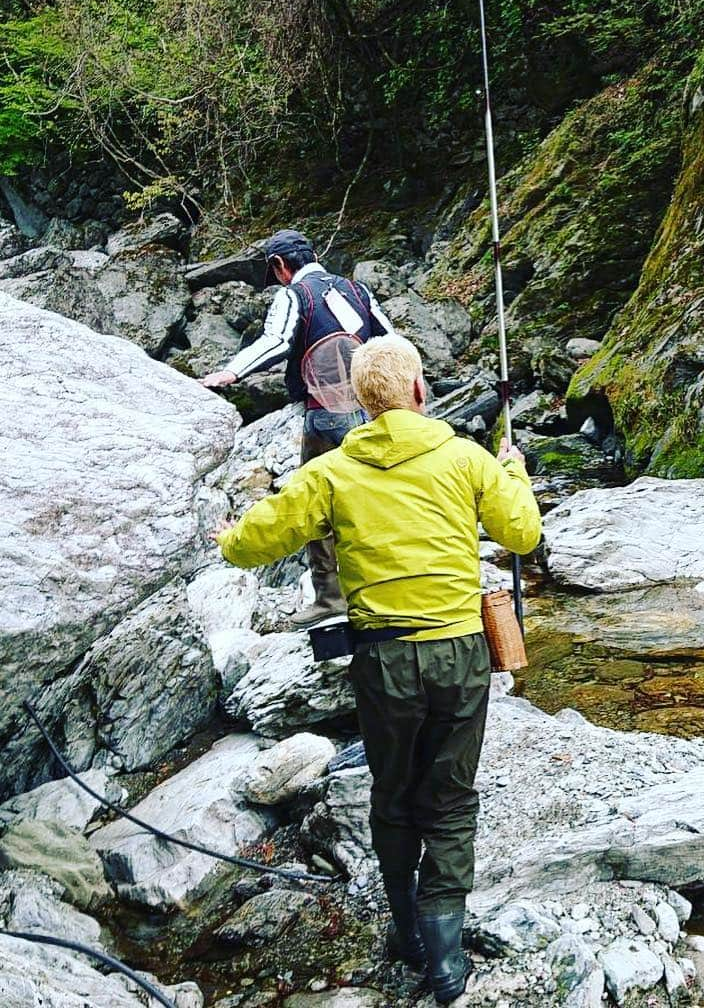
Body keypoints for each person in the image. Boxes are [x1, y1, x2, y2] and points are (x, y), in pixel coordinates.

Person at [214, 334, 542, 1003]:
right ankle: (446, 962)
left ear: (362, 405)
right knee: (449, 802)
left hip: (383, 661)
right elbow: (523, 535)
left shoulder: (329, 474)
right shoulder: (465, 458)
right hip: (458, 654)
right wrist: (513, 470)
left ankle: (407, 932)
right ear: (420, 392)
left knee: (392, 798)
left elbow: (249, 546)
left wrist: (226, 531)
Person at [202, 229, 395, 628]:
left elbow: (276, 342)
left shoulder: (294, 295)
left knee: (315, 501)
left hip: (324, 415)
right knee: (378, 495)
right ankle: (388, 585)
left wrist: (229, 373)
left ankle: (330, 596)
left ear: (279, 265)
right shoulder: (356, 290)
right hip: (371, 412)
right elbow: (390, 342)